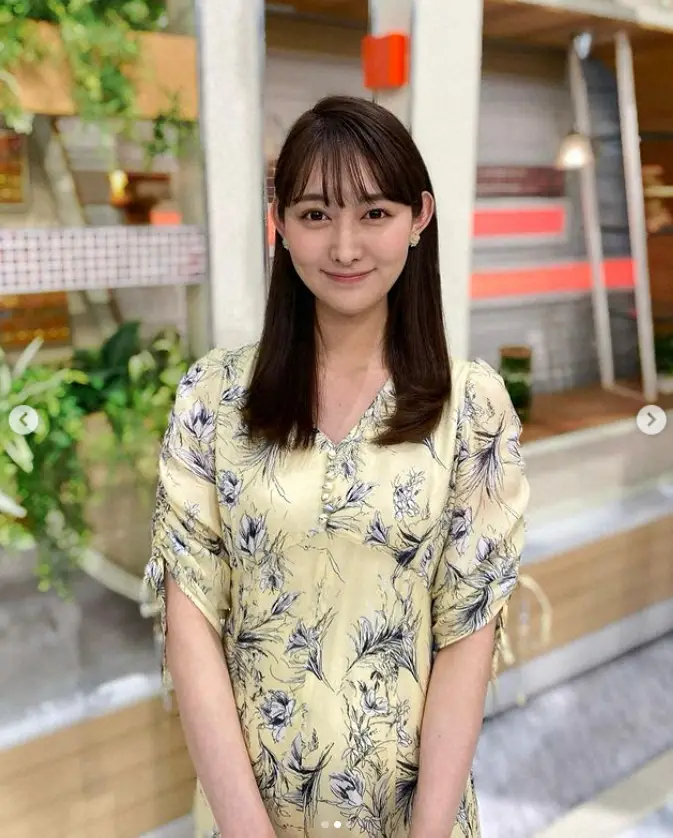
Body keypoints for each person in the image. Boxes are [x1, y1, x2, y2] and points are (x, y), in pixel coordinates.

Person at [143, 95, 530, 838]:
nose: (345, 246)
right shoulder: (212, 396)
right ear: (280, 224)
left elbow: (466, 636)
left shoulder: (471, 406)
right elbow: (189, 624)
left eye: (374, 213)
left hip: (411, 812)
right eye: (316, 214)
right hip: (246, 809)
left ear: (418, 217)